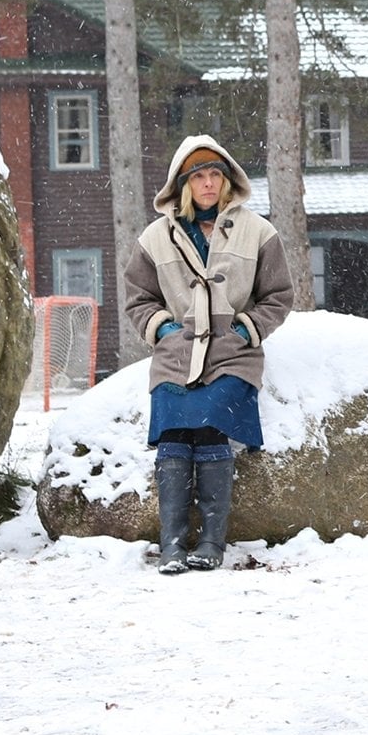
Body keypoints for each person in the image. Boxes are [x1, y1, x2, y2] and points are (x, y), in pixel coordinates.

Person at [125, 135, 294, 574]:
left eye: (214, 175)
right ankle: (173, 545)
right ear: (183, 184)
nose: (207, 184)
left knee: (213, 427)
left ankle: (212, 542)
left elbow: (278, 296)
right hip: (176, 351)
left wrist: (245, 329)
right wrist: (162, 329)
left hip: (232, 353)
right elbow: (137, 297)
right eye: (198, 176)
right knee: (175, 434)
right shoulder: (155, 237)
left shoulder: (259, 231)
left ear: (226, 180)